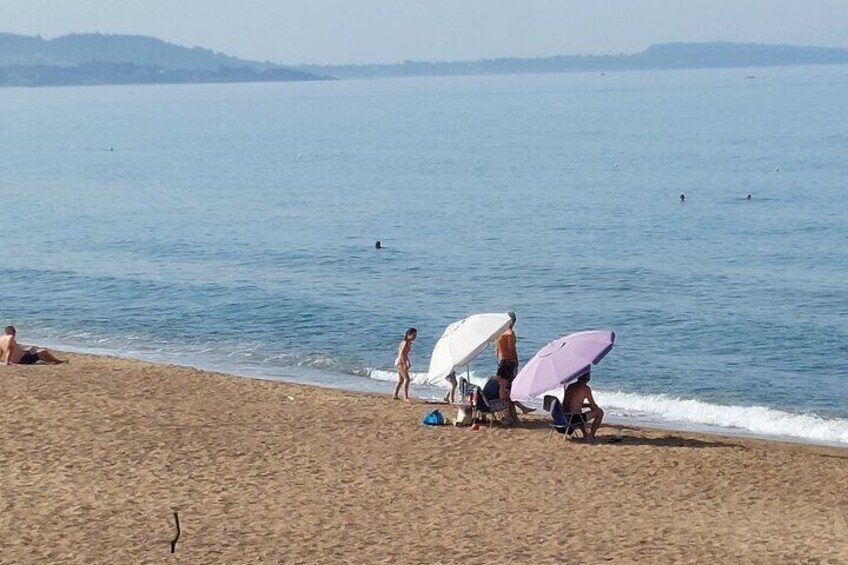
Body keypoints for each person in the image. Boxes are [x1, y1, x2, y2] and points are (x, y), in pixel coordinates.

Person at [494, 312, 534, 415]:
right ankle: (516, 412)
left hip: (502, 362)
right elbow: (511, 349)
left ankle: (517, 410)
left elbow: (497, 351)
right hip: (509, 363)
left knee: (505, 388)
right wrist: (516, 362)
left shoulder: (499, 333)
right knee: (509, 389)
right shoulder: (510, 333)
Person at [563, 370, 604, 441]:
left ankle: (585, 434)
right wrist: (594, 408)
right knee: (600, 412)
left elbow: (571, 404)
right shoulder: (586, 389)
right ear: (588, 379)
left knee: (579, 411)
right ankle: (591, 435)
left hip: (565, 416)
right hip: (574, 418)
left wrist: (587, 405)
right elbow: (593, 404)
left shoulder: (570, 386)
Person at [1, 326, 67, 365]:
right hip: (22, 359)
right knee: (43, 351)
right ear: (12, 331)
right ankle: (57, 361)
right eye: (14, 332)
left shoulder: (1, 339)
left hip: (21, 356)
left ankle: (51, 361)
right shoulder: (10, 338)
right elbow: (10, 350)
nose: (15, 334)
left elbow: (1, 351)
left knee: (31, 348)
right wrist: (7, 362)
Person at [392, 327, 416, 401]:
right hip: (400, 362)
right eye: (413, 335)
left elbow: (406, 354)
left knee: (401, 380)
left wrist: (408, 362)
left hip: (402, 361)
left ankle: (395, 394)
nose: (415, 337)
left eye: (415, 335)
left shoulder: (409, 343)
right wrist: (405, 364)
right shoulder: (405, 342)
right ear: (409, 335)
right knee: (407, 379)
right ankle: (405, 397)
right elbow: (402, 354)